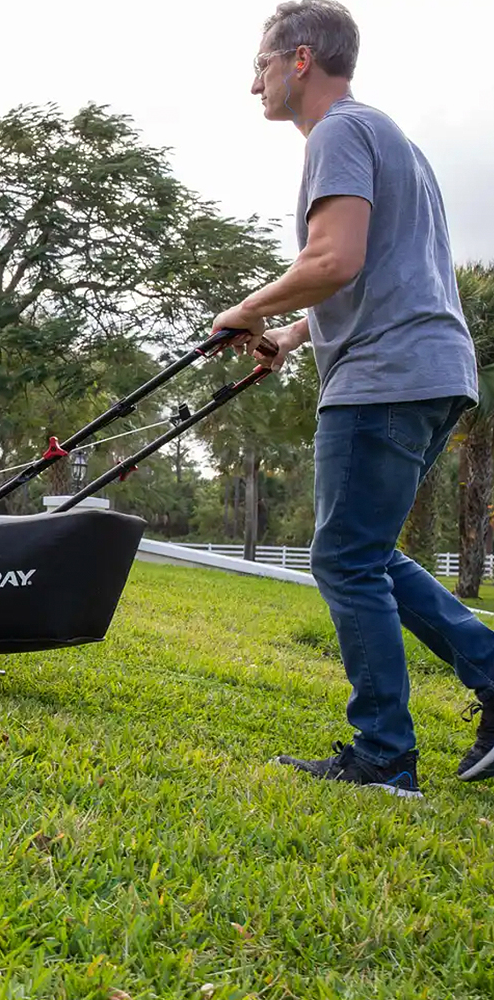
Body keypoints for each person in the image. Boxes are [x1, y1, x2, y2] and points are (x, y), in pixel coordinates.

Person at [210, 0, 494, 797]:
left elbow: (335, 258)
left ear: (301, 60)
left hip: (387, 377)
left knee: (342, 558)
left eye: (261, 64)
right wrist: (294, 340)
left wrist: (248, 310)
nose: (253, 82)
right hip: (432, 372)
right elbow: (377, 270)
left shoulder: (337, 132)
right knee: (364, 554)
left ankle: (383, 757)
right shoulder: (387, 134)